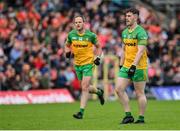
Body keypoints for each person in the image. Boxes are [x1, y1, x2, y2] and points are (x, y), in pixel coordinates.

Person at [64, 15, 105, 119]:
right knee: (85, 87)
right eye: (76, 22)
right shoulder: (71, 35)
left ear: (84, 23)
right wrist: (67, 52)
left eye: (79, 22)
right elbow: (67, 45)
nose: (77, 24)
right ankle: (99, 92)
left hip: (88, 64)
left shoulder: (91, 35)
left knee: (84, 86)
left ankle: (81, 112)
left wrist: (98, 58)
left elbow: (99, 47)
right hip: (77, 64)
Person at [116, 8, 148, 124]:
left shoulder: (141, 32)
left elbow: (140, 51)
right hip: (126, 65)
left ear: (135, 17)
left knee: (139, 93)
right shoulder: (125, 32)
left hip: (139, 66)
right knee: (119, 89)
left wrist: (134, 65)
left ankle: (141, 118)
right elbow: (123, 50)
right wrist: (121, 64)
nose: (126, 18)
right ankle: (128, 115)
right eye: (126, 16)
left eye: (129, 16)